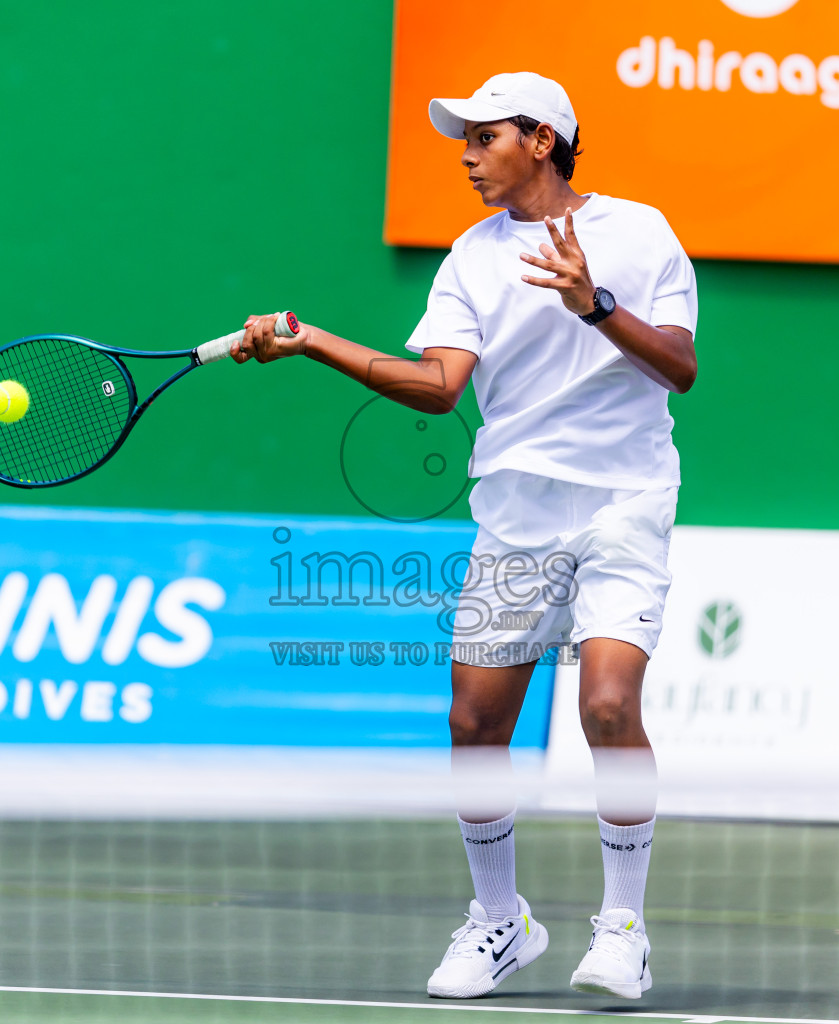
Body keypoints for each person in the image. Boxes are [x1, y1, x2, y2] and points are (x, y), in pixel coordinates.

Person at [233, 71, 698, 1001]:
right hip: (517, 515)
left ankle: (624, 928)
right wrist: (315, 341)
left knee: (608, 706)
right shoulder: (471, 257)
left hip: (624, 502)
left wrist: (596, 306)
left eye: (484, 137)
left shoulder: (640, 233)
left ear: (541, 138)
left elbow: (681, 369)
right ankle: (499, 922)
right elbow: (439, 384)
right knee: (474, 722)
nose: (467, 154)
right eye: (465, 140)